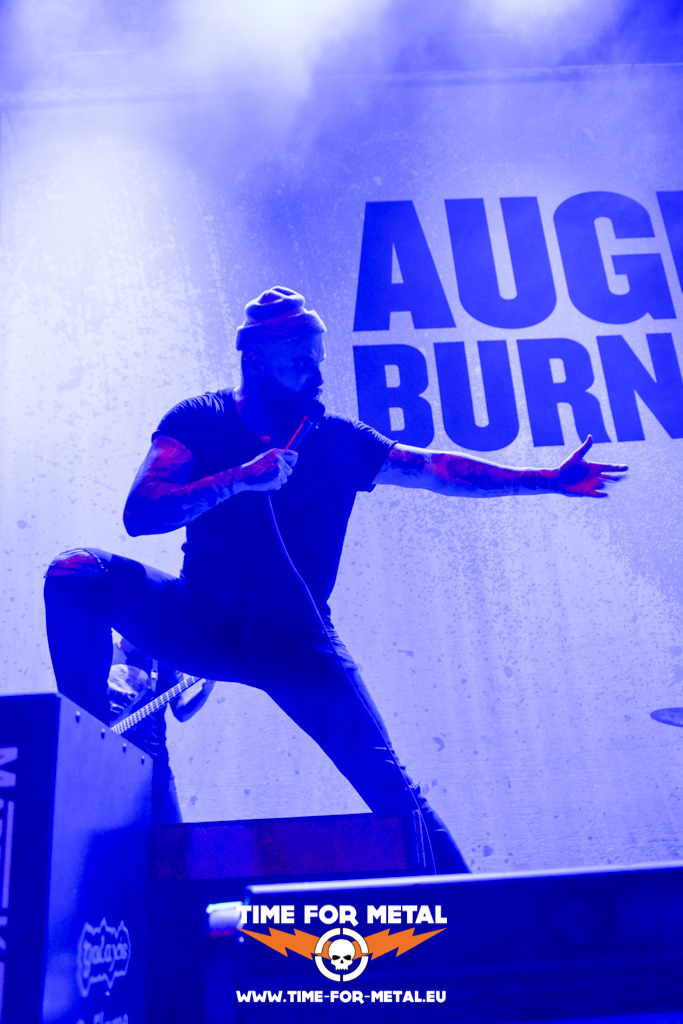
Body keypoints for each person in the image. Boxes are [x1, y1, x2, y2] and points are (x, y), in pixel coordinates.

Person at [44, 286, 627, 873]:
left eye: (319, 360)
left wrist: (544, 480)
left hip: (296, 646)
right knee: (76, 573)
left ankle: (474, 913)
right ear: (255, 362)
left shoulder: (338, 440)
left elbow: (433, 470)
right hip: (198, 619)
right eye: (301, 363)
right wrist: (238, 479)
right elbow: (141, 513)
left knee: (393, 793)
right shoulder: (198, 420)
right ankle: (86, 749)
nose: (318, 376)